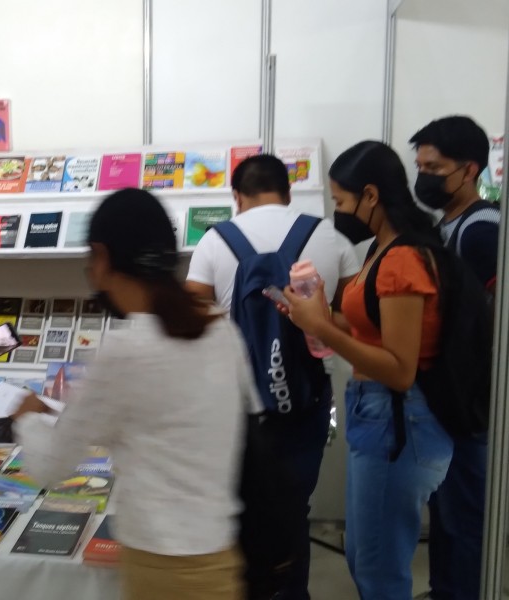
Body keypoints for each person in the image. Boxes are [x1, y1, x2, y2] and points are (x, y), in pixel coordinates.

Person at [13, 188, 261, 600]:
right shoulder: (222, 329)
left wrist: (27, 417)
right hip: (222, 558)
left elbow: (51, 467)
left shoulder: (128, 350)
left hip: (162, 568)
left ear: (101, 255)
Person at [285, 141, 454, 599]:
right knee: (365, 553)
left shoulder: (401, 259)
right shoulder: (381, 249)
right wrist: (318, 309)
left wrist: (322, 326)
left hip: (399, 418)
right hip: (378, 415)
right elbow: (370, 326)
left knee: (379, 567)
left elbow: (400, 369)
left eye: (341, 201)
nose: (338, 212)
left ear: (372, 196)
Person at [185, 154, 359, 600]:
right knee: (293, 510)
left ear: (236, 196)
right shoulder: (329, 236)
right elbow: (360, 322)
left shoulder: (213, 242)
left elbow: (190, 321)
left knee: (239, 508)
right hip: (306, 401)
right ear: (287, 192)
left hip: (235, 406)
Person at [411, 115, 497, 600]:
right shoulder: (444, 226)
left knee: (464, 513)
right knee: (445, 508)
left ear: (469, 170)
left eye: (435, 167)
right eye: (420, 165)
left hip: (470, 400)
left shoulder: (481, 232)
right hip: (445, 396)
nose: (424, 176)